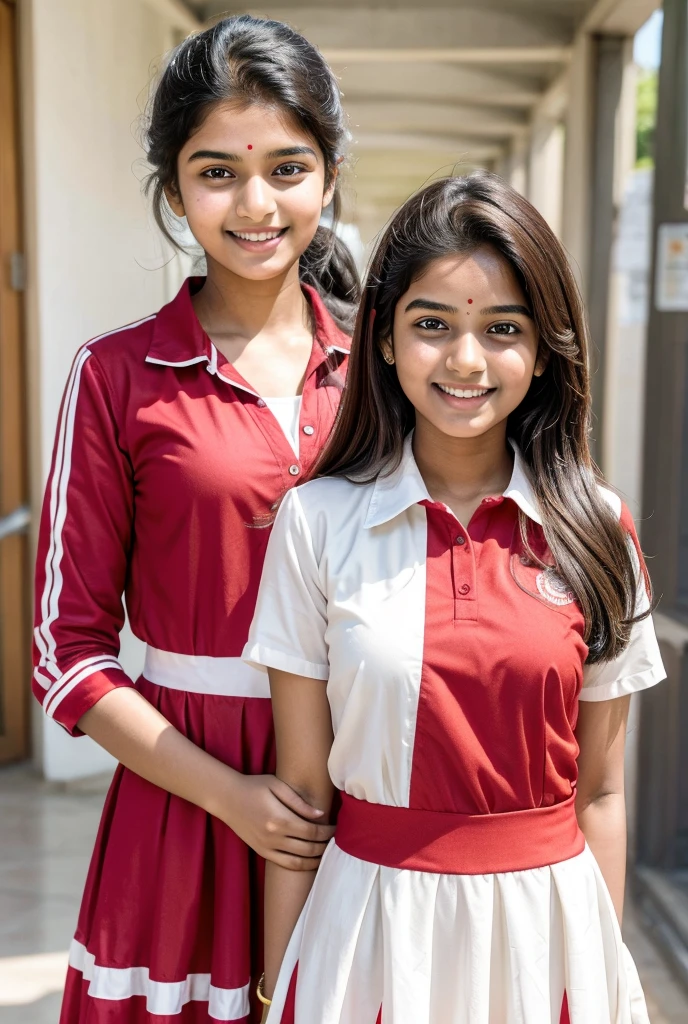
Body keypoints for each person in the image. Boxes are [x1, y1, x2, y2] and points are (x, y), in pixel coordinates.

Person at [244, 172, 665, 1024]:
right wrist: (276, 987)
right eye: (432, 324)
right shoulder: (315, 523)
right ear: (386, 340)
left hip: (547, 937)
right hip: (365, 936)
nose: (466, 360)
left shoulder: (600, 530)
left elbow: (603, 795)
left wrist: (600, 968)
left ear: (544, 349)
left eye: (501, 329)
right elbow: (302, 801)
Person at [31, 15, 358, 1024]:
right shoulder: (118, 375)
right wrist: (228, 794)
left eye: (287, 168)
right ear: (174, 190)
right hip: (182, 807)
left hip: (363, 788)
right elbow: (64, 652)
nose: (255, 204)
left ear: (329, 176)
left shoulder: (387, 368)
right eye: (217, 172)